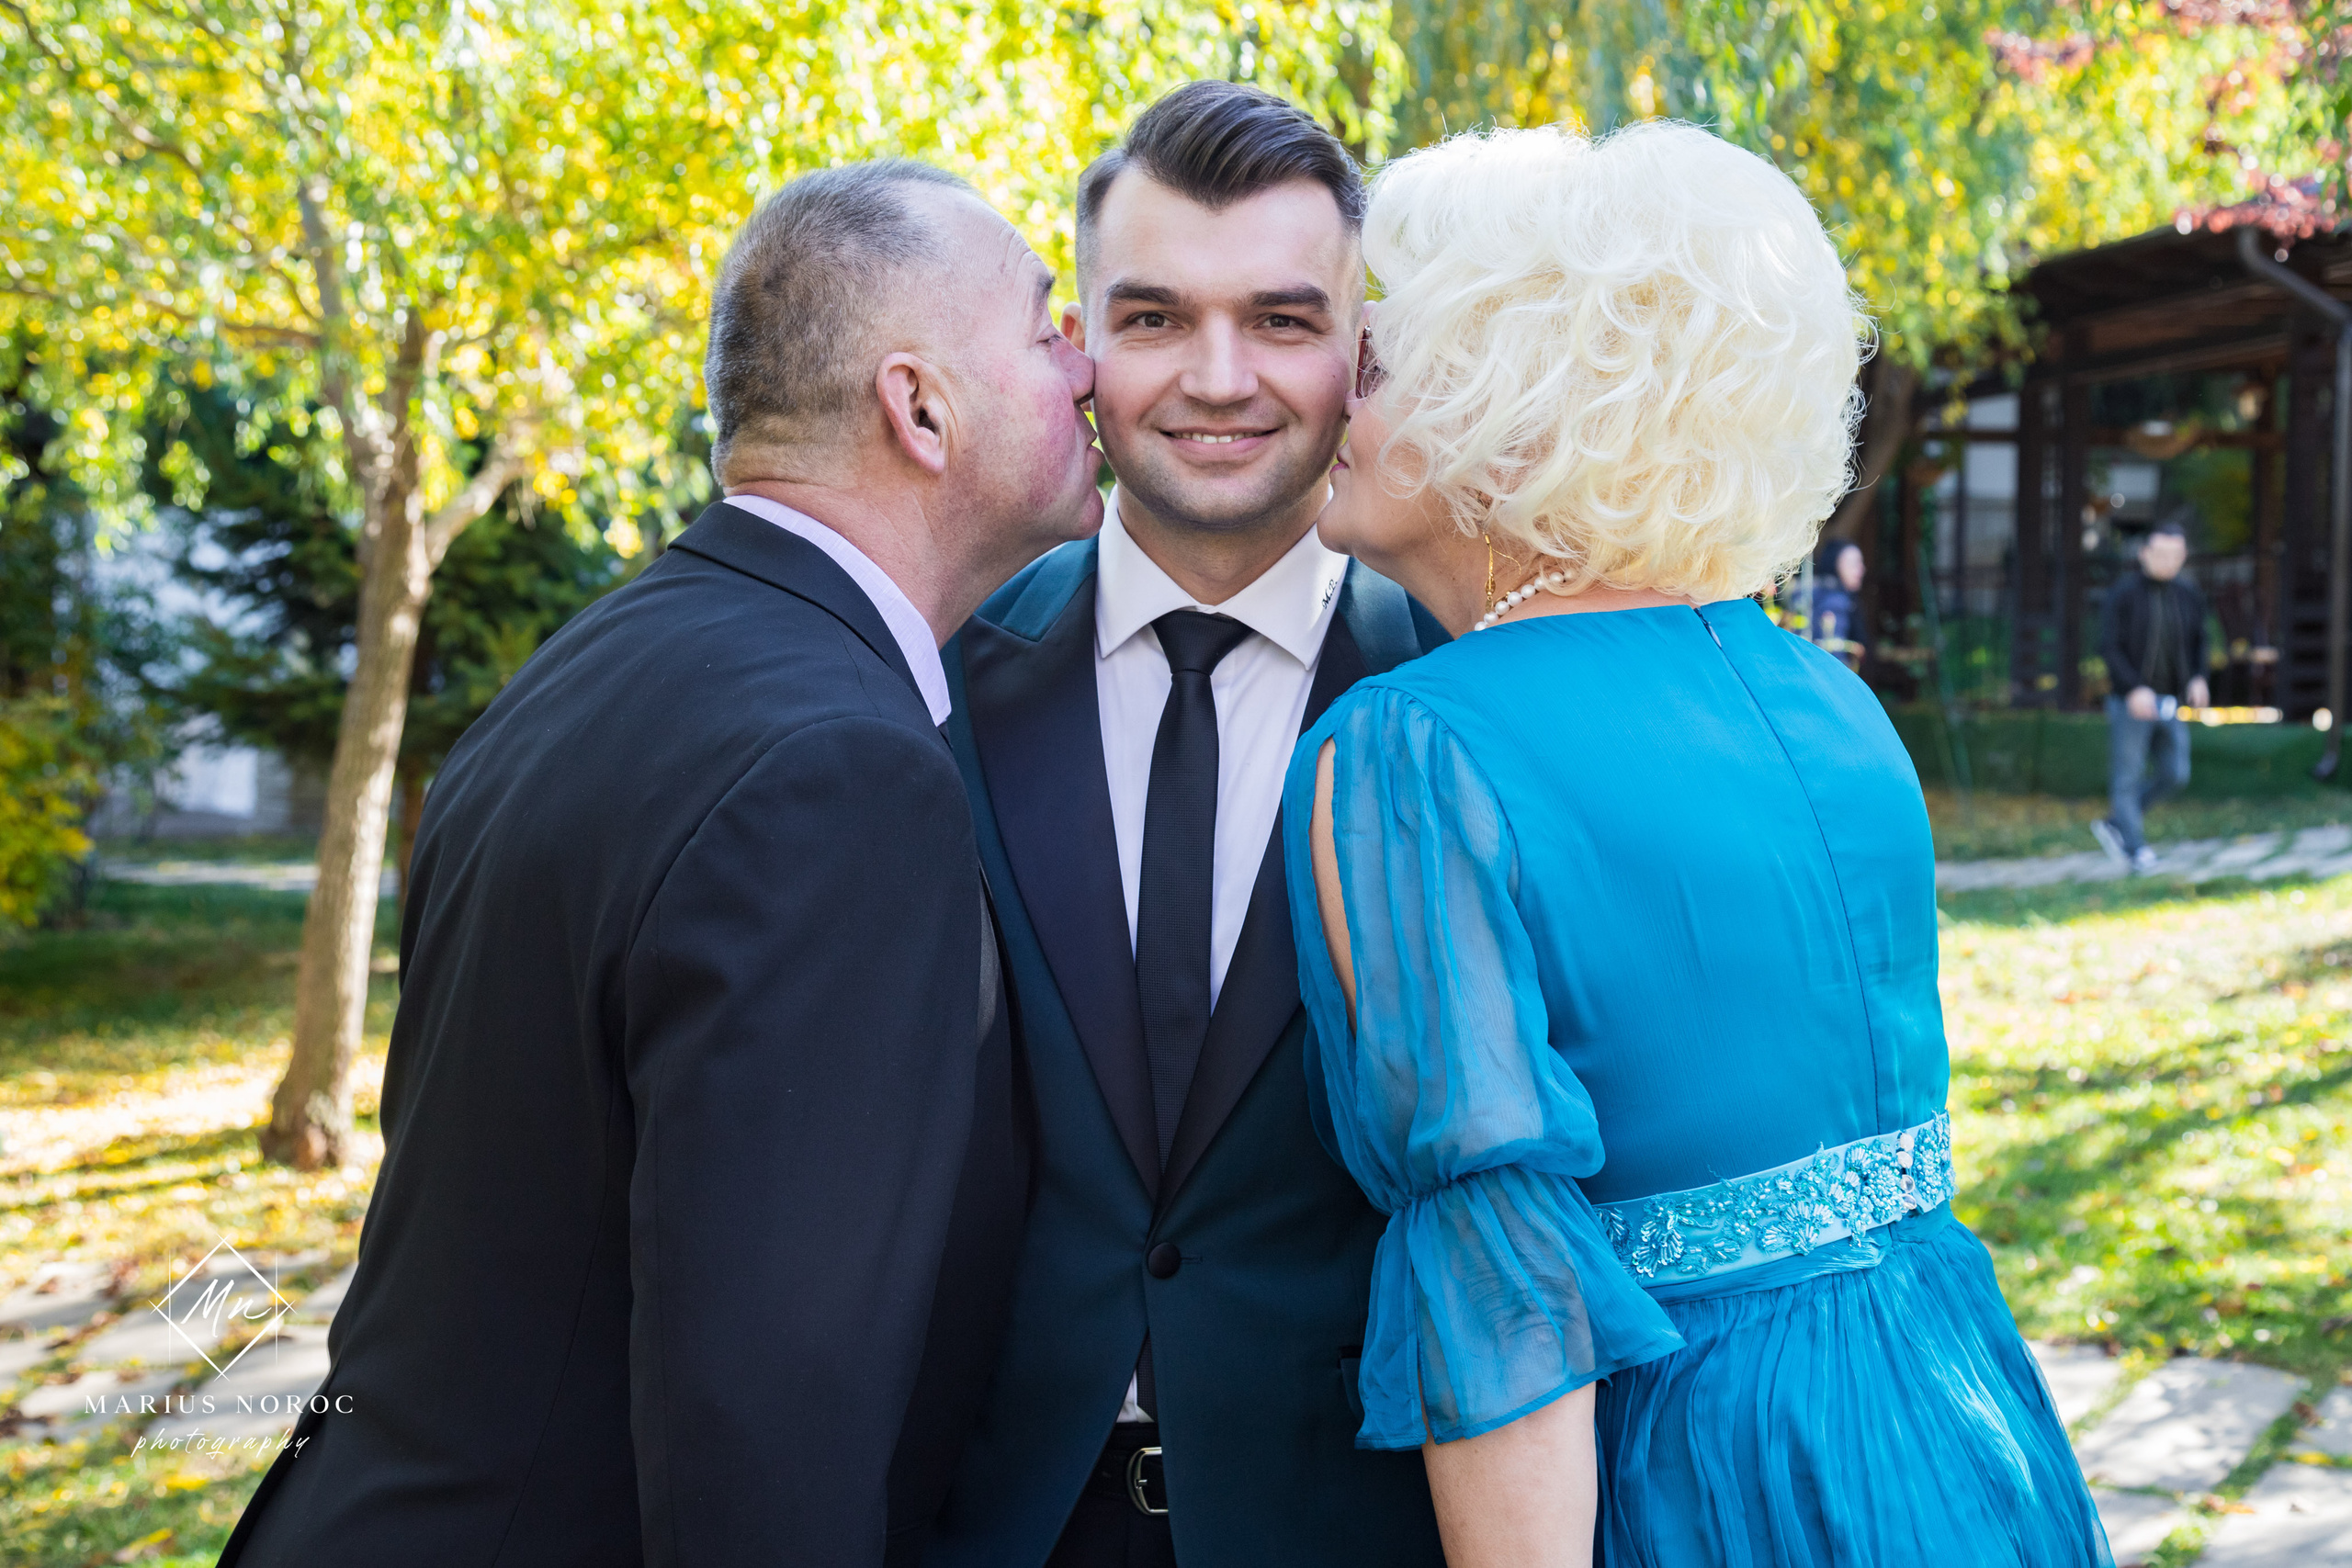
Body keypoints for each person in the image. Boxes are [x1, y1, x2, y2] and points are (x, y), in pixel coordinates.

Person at [219, 162, 1104, 1567]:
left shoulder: (589, 665)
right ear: (918, 406)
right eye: (1049, 322)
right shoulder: (840, 771)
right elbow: (770, 1410)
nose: (1091, 363)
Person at [1288, 123, 2110, 1566]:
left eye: (1374, 360)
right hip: (1947, 1430)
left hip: (1704, 1469)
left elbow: (1502, 1288)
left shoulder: (1414, 746)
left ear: (1510, 394)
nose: (1325, 402)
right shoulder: (1835, 701)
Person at [928, 83, 1446, 1568]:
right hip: (1004, 1524)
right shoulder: (939, 686)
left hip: (1352, 1529)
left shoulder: (1461, 701)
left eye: (1282, 321)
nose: (1217, 377)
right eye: (1154, 318)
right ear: (1080, 342)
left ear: (1362, 351)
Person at [2093, 522, 2209, 875]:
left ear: (2184, 556)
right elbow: (2107, 646)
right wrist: (2132, 688)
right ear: (2144, 553)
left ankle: (2117, 824)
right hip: (2130, 703)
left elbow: (2199, 642)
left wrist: (2198, 678)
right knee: (2127, 776)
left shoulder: (2187, 595)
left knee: (2176, 773)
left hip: (2169, 702)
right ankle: (2136, 849)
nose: (2167, 561)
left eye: (2175, 555)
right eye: (2160, 553)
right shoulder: (2123, 594)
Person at [1790, 537, 1866, 670]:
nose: (1862, 569)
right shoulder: (1835, 600)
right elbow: (1833, 652)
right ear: (1835, 563)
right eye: (1854, 564)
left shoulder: (1814, 590)